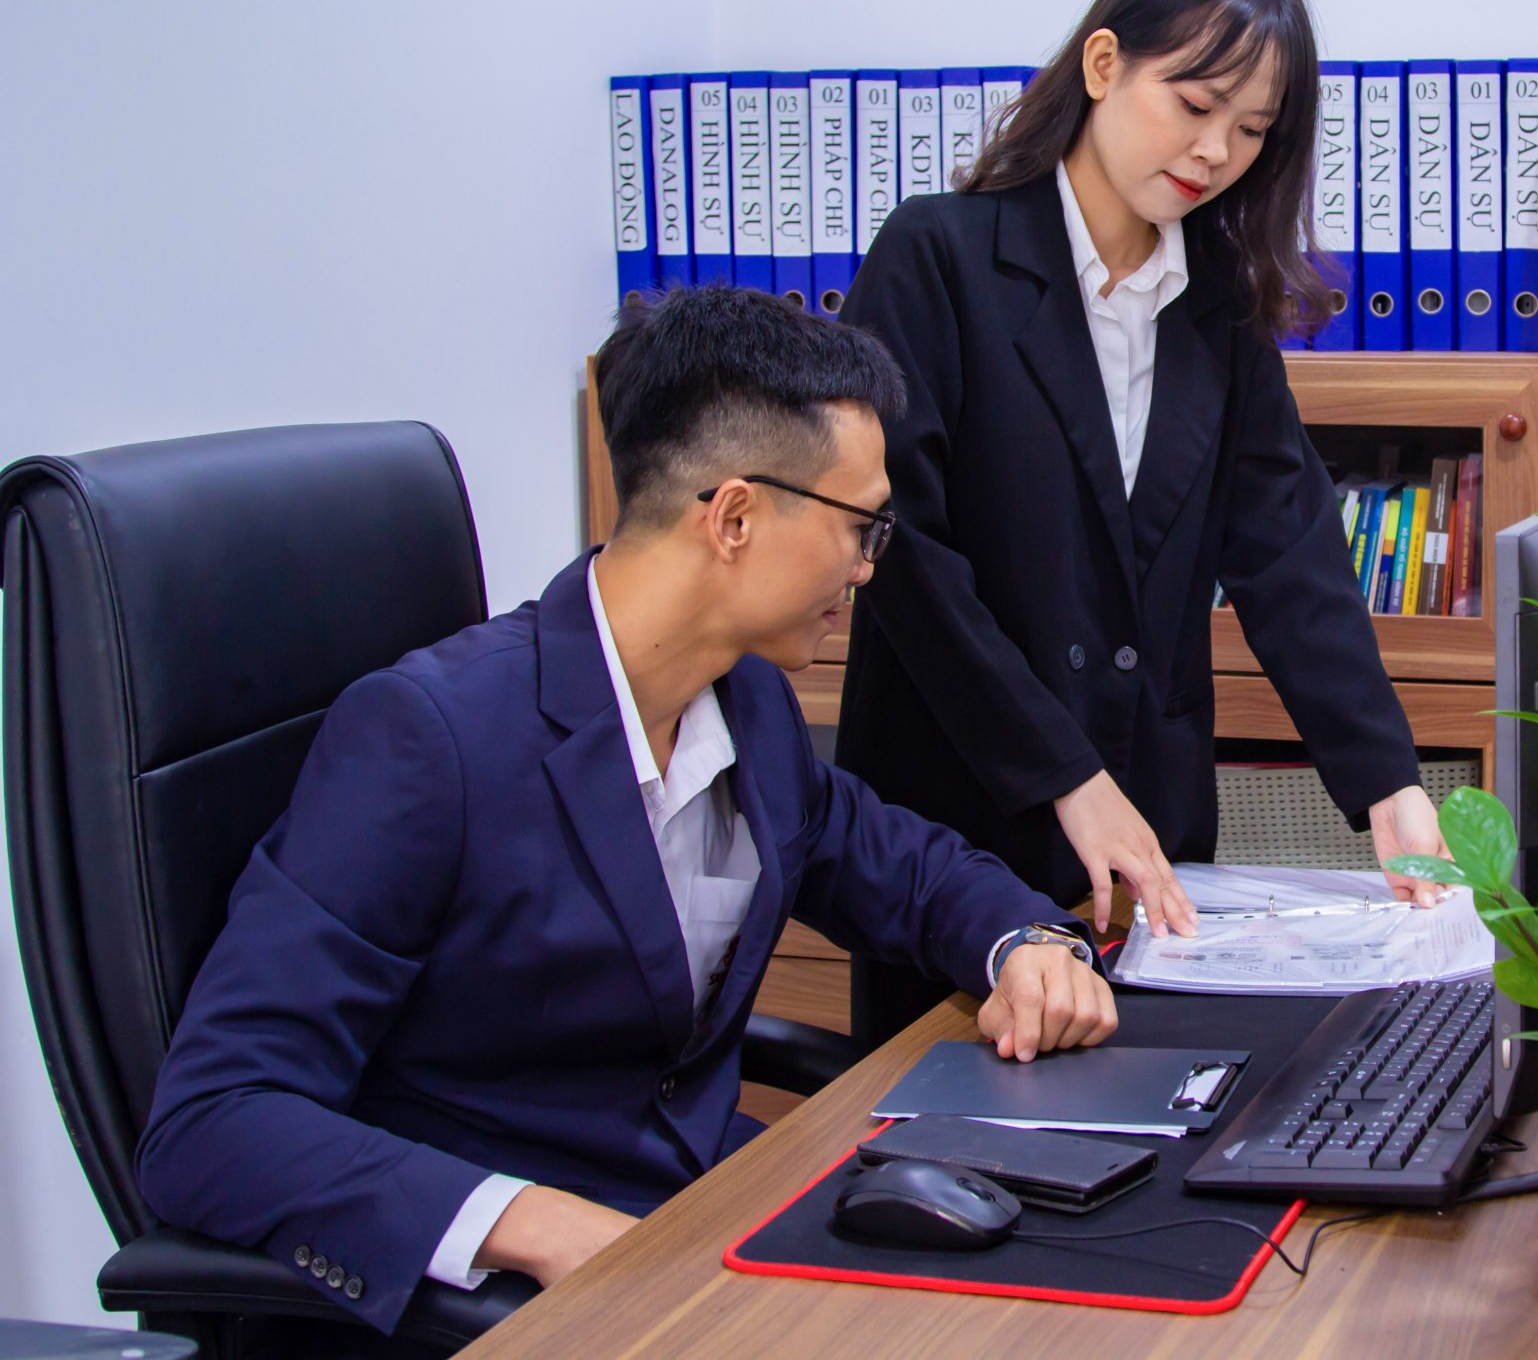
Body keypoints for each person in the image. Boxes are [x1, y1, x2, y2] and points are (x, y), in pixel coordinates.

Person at [136, 286, 1115, 1339]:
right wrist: (536, 1225)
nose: (870, 566)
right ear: (734, 517)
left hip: (700, 1231)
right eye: (860, 526)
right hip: (509, 1306)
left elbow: (900, 865)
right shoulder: (426, 740)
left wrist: (1024, 943)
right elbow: (212, 1120)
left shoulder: (745, 703)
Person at [837, 0, 1451, 1035]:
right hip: (961, 837)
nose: (1216, 150)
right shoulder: (939, 259)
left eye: (1252, 129)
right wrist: (1063, 776)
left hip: (1152, 854)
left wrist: (1388, 782)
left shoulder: (1216, 305)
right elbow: (907, 560)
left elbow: (1288, 553)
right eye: (1195, 103)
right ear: (1104, 63)